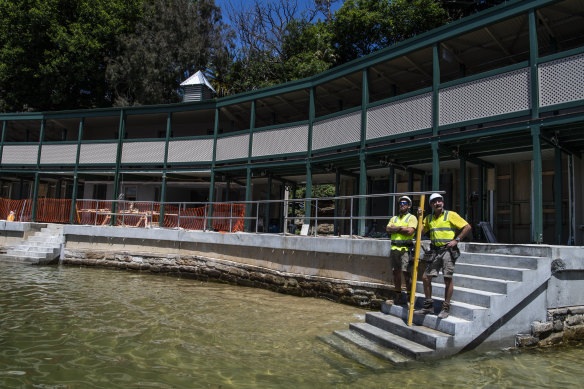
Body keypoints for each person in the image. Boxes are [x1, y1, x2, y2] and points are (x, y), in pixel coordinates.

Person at [414, 193, 471, 319]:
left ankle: (445, 308)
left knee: (447, 279)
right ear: (431, 205)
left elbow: (467, 227)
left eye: (439, 201)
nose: (437, 203)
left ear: (443, 202)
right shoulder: (428, 218)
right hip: (435, 251)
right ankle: (429, 306)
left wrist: (457, 240)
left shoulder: (451, 215)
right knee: (425, 277)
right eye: (434, 202)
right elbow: (421, 232)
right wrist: (420, 217)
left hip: (448, 251)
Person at [386, 196, 418, 305]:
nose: (402, 205)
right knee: (396, 274)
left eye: (404, 203)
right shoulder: (393, 218)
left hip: (406, 249)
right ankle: (398, 297)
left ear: (409, 206)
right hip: (394, 248)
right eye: (400, 203)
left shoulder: (412, 218)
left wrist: (397, 228)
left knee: (407, 274)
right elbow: (388, 229)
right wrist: (401, 229)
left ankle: (409, 298)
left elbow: (410, 232)